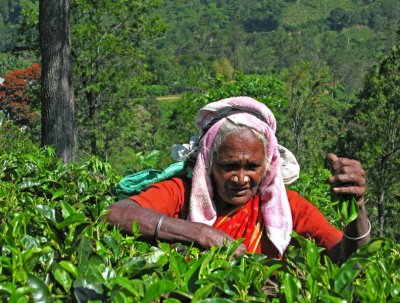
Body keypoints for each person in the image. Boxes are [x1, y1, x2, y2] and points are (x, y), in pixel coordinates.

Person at [107, 96, 370, 262]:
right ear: (208, 163)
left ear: (267, 165)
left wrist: (356, 209)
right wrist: (198, 232)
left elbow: (346, 259)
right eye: (229, 166)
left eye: (252, 166)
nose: (241, 178)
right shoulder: (182, 193)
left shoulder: (284, 207)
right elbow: (116, 214)